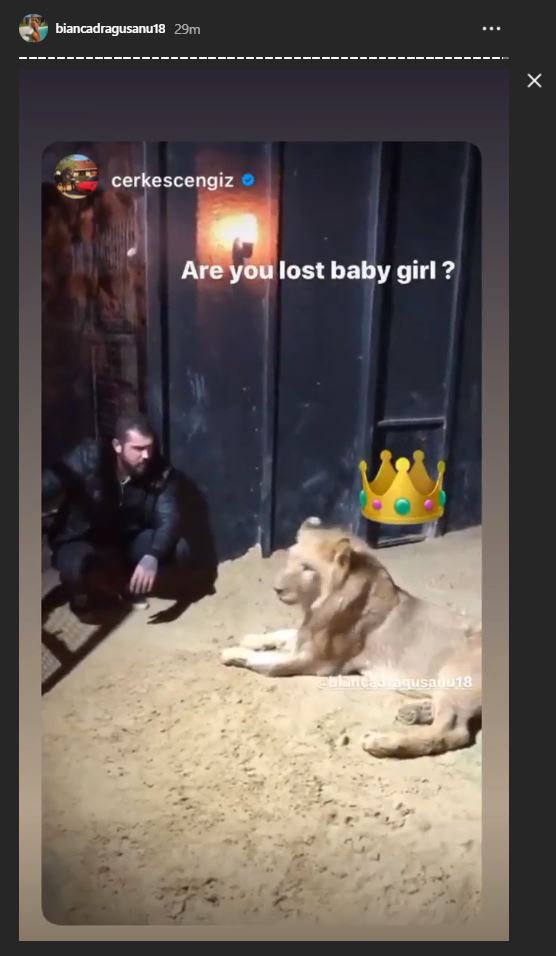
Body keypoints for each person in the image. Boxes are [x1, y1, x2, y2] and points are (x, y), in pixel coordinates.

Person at [42, 412, 191, 618]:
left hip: (123, 538)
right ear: (117, 446)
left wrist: (153, 555)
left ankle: (124, 583)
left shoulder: (159, 470)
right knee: (82, 567)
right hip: (80, 538)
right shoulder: (89, 457)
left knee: (178, 548)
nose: (146, 455)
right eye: (138, 448)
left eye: (149, 447)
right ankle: (86, 592)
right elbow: (47, 484)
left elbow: (169, 517)